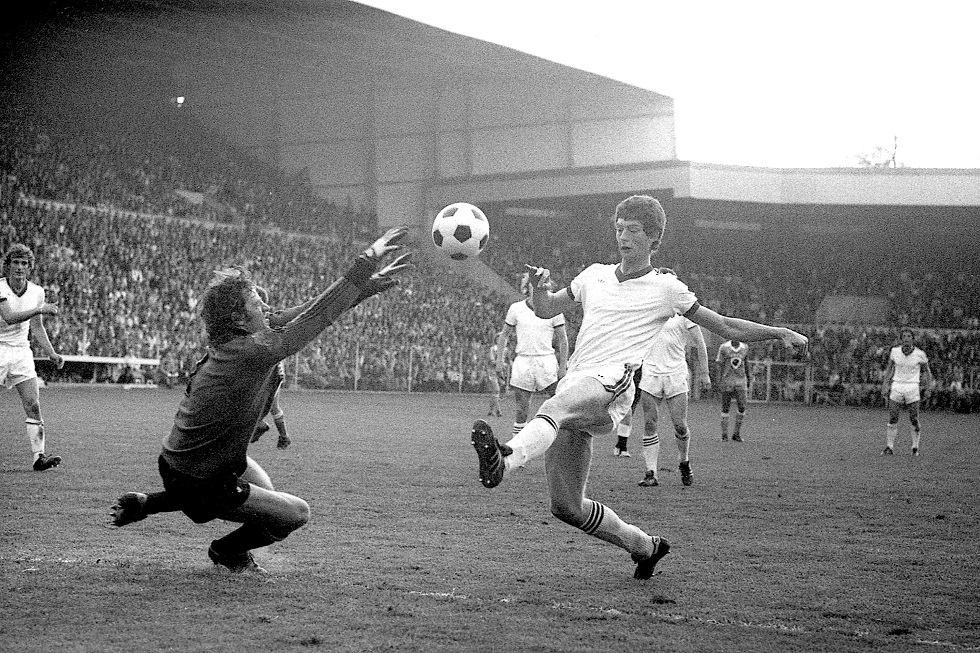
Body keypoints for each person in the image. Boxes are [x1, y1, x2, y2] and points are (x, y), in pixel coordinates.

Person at [469, 195, 808, 580]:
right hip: (578, 379)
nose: (623, 236)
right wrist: (539, 288)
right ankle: (645, 547)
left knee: (555, 408)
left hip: (614, 382)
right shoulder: (593, 274)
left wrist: (778, 332)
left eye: (633, 230)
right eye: (619, 228)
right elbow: (546, 309)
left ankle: (505, 462)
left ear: (654, 238)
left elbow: (725, 326)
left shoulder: (667, 287)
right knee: (566, 507)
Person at [110, 228, 412, 573]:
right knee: (296, 513)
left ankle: (147, 504)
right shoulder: (251, 351)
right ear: (239, 318)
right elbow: (314, 320)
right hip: (199, 477)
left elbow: (310, 310)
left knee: (267, 494)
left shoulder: (241, 342)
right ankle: (227, 552)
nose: (266, 307)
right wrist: (364, 263)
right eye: (257, 303)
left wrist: (364, 287)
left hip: (185, 463)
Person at [0, 243, 65, 471]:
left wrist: (51, 353)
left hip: (21, 352)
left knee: (33, 404)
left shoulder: (37, 292)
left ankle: (39, 457)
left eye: (24, 263)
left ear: (30, 267)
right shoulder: (0, 288)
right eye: (15, 263)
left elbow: (36, 327)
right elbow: (9, 317)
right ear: (7, 266)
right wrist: (39, 309)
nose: (19, 267)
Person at [634, 309, 712, 487]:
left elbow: (700, 343)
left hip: (675, 374)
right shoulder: (648, 311)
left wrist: (705, 373)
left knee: (680, 425)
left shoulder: (684, 314)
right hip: (651, 373)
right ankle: (650, 473)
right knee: (649, 423)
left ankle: (684, 462)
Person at [496, 271, 569, 437]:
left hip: (547, 361)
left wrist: (563, 366)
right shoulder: (516, 308)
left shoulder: (554, 310)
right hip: (523, 361)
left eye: (541, 282)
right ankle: (518, 451)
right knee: (521, 410)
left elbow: (563, 340)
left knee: (560, 404)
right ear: (527, 286)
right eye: (533, 282)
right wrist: (499, 362)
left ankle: (563, 445)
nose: (536, 285)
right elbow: (504, 335)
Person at [249, 285, 291, 449]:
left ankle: (278, 434)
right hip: (268, 367)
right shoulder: (263, 320)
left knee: (270, 405)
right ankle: (280, 435)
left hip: (271, 369)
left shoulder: (265, 321)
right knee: (271, 405)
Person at [881, 328, 933, 456]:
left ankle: (915, 446)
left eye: (909, 336)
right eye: (904, 336)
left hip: (912, 386)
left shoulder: (920, 354)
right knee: (893, 416)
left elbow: (927, 371)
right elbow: (889, 369)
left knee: (914, 418)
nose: (906, 338)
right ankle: (889, 447)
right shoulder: (894, 352)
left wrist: (928, 387)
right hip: (897, 385)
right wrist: (885, 384)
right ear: (901, 339)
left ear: (913, 339)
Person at [716, 339, 750, 442]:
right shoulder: (724, 347)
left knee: (742, 405)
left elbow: (746, 362)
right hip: (727, 380)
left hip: (741, 380)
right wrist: (719, 380)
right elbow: (719, 364)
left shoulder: (745, 347)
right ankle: (724, 434)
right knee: (726, 406)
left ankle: (736, 433)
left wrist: (749, 377)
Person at [486, 332, 505, 417]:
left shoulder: (504, 349)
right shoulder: (493, 349)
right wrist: (499, 363)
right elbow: (492, 360)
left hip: (500, 372)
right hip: (492, 372)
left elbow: (506, 360)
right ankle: (498, 411)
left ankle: (491, 410)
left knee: (495, 392)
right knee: (496, 390)